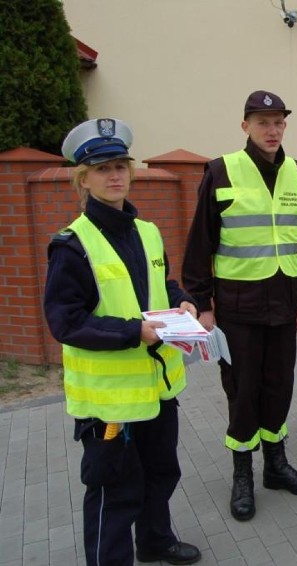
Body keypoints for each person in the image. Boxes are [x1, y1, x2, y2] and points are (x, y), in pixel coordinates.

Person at [44, 118, 202, 565]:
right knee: (114, 491)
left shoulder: (146, 231)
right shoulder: (72, 246)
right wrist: (134, 331)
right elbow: (66, 322)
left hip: (156, 388)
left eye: (120, 166)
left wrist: (184, 301)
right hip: (111, 402)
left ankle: (155, 540)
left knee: (161, 473)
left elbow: (161, 287)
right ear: (84, 178)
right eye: (102, 168)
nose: (115, 175)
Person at [182, 90, 297, 522]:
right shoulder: (221, 171)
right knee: (243, 390)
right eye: (263, 122)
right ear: (246, 126)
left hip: (284, 301)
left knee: (279, 385)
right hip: (237, 305)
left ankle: (276, 466)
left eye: (279, 121)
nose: (272, 129)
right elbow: (201, 240)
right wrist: (201, 303)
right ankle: (243, 473)